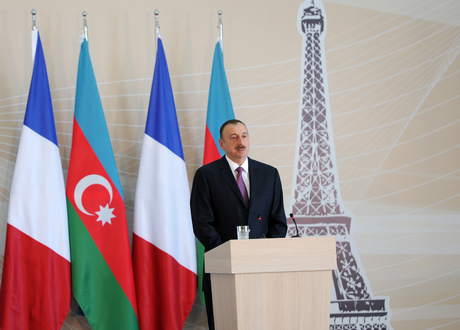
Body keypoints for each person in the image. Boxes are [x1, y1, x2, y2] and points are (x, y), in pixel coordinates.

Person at [190, 119, 287, 330]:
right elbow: (202, 224)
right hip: (222, 271)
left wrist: (264, 254)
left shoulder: (269, 174)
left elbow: (279, 223)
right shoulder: (206, 176)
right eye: (233, 137)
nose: (240, 142)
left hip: (263, 270)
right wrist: (230, 255)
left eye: (244, 136)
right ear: (222, 144)